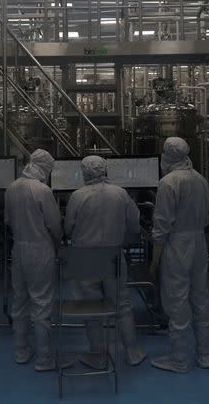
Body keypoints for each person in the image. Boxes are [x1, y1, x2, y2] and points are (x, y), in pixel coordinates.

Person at [64, 156, 148, 369]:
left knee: (90, 307)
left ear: (84, 172)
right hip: (113, 255)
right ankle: (131, 351)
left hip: (84, 258)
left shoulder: (77, 196)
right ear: (105, 170)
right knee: (122, 304)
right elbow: (134, 225)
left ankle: (98, 355)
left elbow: (68, 229)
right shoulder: (120, 194)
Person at [150, 137, 209, 373]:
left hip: (177, 244)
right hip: (199, 242)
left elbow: (161, 226)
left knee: (177, 302)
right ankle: (204, 355)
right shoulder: (201, 180)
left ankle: (178, 360)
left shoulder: (168, 183)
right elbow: (205, 217)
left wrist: (155, 261)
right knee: (200, 298)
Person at [4, 149, 63, 372]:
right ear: (44, 167)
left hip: (18, 249)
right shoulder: (42, 190)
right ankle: (44, 359)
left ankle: (20, 350)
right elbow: (55, 226)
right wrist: (59, 243)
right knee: (41, 304)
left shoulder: (11, 188)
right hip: (40, 251)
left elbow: (8, 221)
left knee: (19, 301)